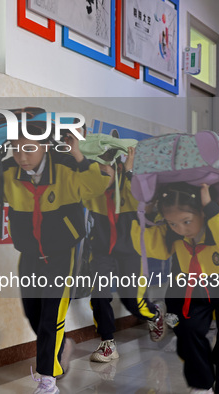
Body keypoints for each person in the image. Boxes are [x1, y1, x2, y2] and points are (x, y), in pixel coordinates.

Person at [0, 112, 111, 394]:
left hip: (62, 254)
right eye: (16, 148)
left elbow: (97, 185)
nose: (22, 156)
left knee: (51, 317)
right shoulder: (11, 173)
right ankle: (63, 349)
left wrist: (78, 156)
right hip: (30, 254)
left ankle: (47, 380)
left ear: (45, 146)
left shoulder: (65, 170)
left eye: (28, 148)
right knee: (33, 313)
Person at [132, 182, 219, 393]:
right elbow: (152, 248)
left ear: (203, 211)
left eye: (187, 221)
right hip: (195, 286)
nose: (181, 229)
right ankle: (201, 385)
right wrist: (147, 213)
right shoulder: (174, 222)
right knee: (186, 330)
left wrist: (211, 206)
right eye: (173, 223)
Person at [84, 146, 167, 363]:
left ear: (118, 169)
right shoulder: (93, 191)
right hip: (103, 251)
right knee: (99, 295)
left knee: (133, 301)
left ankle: (154, 315)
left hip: (131, 252)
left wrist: (128, 173)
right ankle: (108, 343)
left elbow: (145, 197)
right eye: (97, 173)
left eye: (104, 173)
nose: (100, 179)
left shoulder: (131, 188)